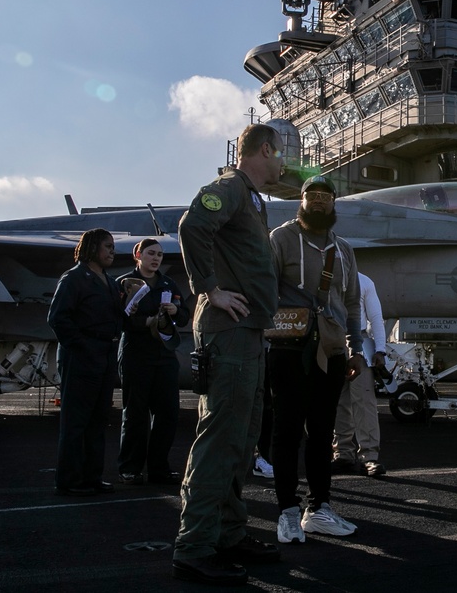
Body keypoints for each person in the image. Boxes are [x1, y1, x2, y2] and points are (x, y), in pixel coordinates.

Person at [172, 123, 285, 586]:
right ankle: (195, 545)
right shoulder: (230, 188)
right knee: (220, 442)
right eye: (280, 155)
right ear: (264, 150)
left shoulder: (254, 202)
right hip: (229, 333)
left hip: (250, 334)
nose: (283, 164)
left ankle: (228, 533)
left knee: (241, 441)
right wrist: (211, 290)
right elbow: (192, 225)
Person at [269, 175, 365, 544]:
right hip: (288, 347)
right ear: (302, 201)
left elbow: (352, 302)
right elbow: (265, 287)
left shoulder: (343, 249)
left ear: (334, 203)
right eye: (313, 196)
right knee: (287, 429)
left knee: (323, 431)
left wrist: (356, 348)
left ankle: (319, 508)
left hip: (331, 348)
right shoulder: (281, 239)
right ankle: (287, 512)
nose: (320, 202)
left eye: (326, 197)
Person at [47, 228, 125, 497]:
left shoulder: (110, 282)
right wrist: (82, 346)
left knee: (97, 420)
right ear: (92, 248)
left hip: (104, 355)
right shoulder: (74, 279)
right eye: (107, 246)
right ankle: (69, 479)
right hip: (81, 357)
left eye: (113, 246)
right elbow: (58, 318)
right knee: (75, 422)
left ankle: (92, 476)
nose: (112, 251)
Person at [115, 238, 189, 486]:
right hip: (136, 353)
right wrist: (145, 322)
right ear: (138, 254)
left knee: (168, 413)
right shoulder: (125, 284)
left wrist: (175, 312)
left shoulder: (169, 284)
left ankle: (159, 468)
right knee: (135, 414)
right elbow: (117, 319)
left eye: (159, 254)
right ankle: (130, 468)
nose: (156, 258)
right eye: (150, 253)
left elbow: (185, 316)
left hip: (164, 354)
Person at [332, 272, 388, 478]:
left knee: (364, 402)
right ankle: (343, 454)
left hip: (360, 344)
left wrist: (380, 349)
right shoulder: (325, 276)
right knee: (338, 402)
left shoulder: (364, 281)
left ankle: (369, 456)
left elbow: (375, 317)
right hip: (332, 341)